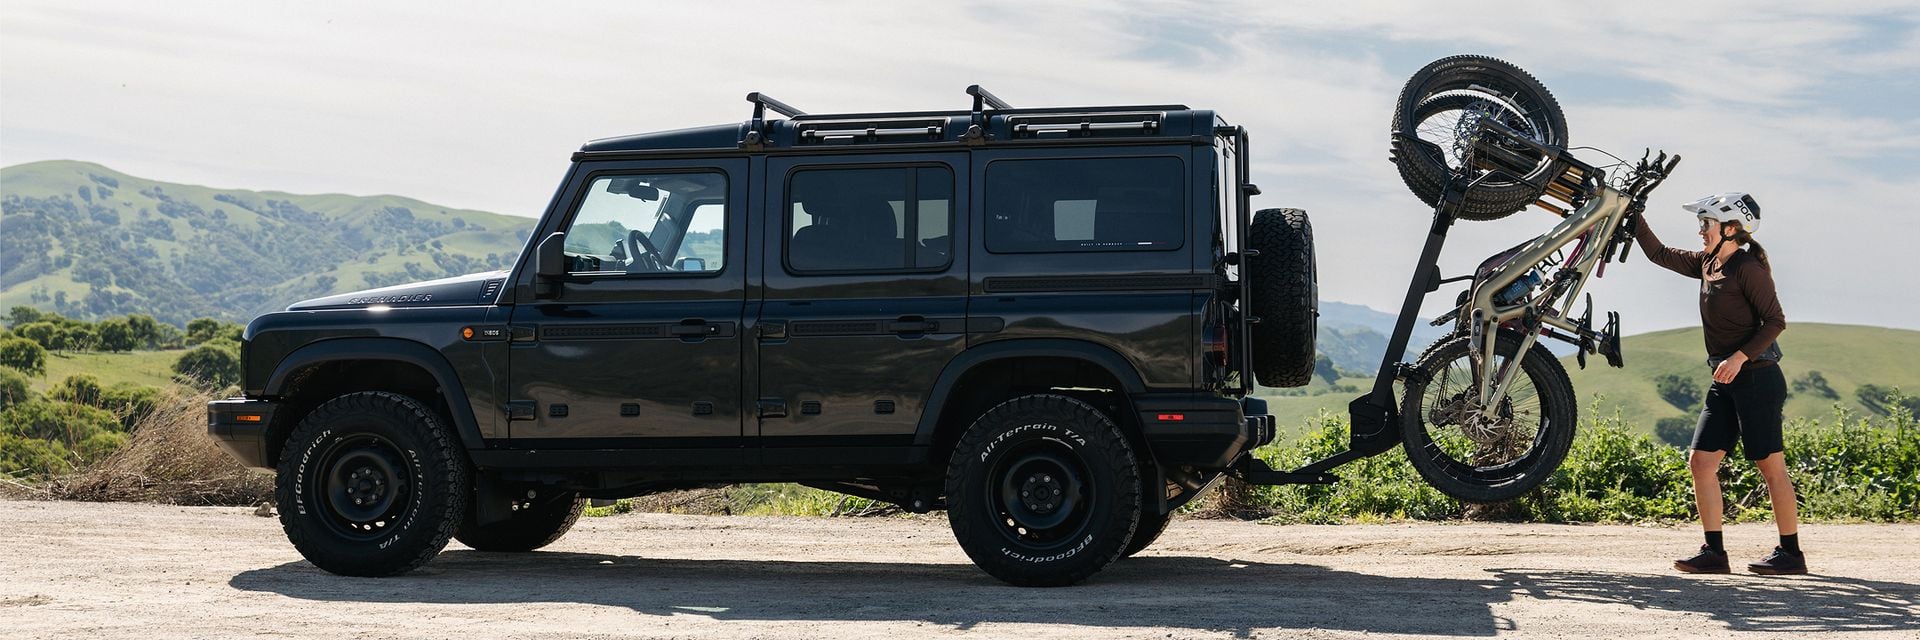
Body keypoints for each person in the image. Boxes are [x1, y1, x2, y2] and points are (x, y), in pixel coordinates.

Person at [1635, 192, 1804, 576]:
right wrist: (1633, 214)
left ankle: (1791, 554)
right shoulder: (1708, 263)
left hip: (1758, 377)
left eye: (1705, 224)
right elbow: (1658, 253)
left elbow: (1775, 321)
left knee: (1770, 465)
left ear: (1731, 229)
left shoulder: (1747, 268)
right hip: (1724, 380)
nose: (1700, 232)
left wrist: (1739, 357)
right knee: (1701, 462)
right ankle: (1714, 552)